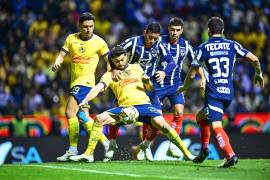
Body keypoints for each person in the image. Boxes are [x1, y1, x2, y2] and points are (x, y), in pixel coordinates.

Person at [69, 46, 195, 162]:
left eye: (122, 59)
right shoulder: (109, 75)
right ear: (112, 61)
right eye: (117, 61)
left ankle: (187, 153)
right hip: (125, 108)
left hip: (144, 105)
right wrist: (85, 100)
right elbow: (98, 88)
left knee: (163, 125)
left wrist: (147, 82)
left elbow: (151, 89)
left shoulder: (137, 67)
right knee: (99, 119)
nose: (121, 63)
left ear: (126, 57)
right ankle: (89, 154)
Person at [177, 17, 264, 168]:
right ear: (222, 31)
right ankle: (204, 149)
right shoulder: (232, 45)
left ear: (208, 31)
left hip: (214, 93)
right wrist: (258, 74)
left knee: (216, 126)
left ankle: (230, 155)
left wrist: (184, 88)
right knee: (201, 117)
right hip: (228, 92)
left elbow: (192, 73)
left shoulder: (203, 47)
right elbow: (255, 59)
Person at [136, 17, 205, 160]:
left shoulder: (185, 45)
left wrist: (203, 78)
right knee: (154, 117)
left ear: (182, 31)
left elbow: (196, 63)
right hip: (157, 85)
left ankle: (173, 146)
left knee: (179, 111)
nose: (174, 33)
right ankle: (146, 144)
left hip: (175, 84)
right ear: (168, 29)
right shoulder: (158, 41)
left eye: (177, 30)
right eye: (172, 30)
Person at [106, 22, 177, 161]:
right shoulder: (133, 43)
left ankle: (146, 145)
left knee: (157, 118)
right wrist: (114, 69)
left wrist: (164, 72)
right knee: (116, 115)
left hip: (148, 85)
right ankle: (112, 143)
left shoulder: (159, 44)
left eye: (155, 38)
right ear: (145, 32)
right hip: (129, 85)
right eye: (150, 37)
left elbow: (172, 62)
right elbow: (111, 53)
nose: (152, 41)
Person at [52, 12, 110, 161]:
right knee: (83, 116)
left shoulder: (99, 42)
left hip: (86, 83)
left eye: (91, 26)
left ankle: (72, 149)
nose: (88, 29)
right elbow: (62, 54)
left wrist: (110, 75)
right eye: (85, 26)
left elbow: (109, 61)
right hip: (75, 82)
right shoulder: (71, 39)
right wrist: (58, 61)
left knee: (70, 112)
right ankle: (105, 142)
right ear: (80, 26)